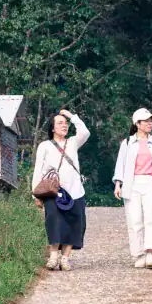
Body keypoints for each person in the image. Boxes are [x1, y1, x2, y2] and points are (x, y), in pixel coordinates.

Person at [32, 109, 90, 271]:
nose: (64, 126)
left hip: (75, 191)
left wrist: (72, 116)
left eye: (66, 123)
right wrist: (35, 194)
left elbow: (85, 132)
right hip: (52, 191)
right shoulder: (45, 146)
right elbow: (38, 170)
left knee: (74, 224)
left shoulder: (73, 142)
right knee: (54, 222)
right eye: (60, 123)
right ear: (52, 128)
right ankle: (53, 257)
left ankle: (65, 259)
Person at [113, 108, 152, 269]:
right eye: (146, 121)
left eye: (151, 120)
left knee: (150, 218)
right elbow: (121, 165)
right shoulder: (127, 143)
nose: (150, 123)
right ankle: (138, 254)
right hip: (132, 183)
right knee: (134, 220)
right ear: (137, 124)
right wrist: (118, 184)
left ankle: (150, 252)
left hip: (150, 182)